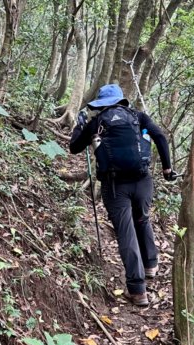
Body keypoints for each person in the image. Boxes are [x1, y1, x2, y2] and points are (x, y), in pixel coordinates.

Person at [69, 84, 176, 307]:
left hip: (115, 184)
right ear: (121, 101)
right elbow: (160, 137)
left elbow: (74, 148)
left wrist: (79, 128)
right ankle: (151, 266)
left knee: (126, 231)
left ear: (101, 104)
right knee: (142, 219)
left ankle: (138, 291)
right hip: (143, 181)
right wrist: (167, 169)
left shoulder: (97, 122)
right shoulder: (139, 117)